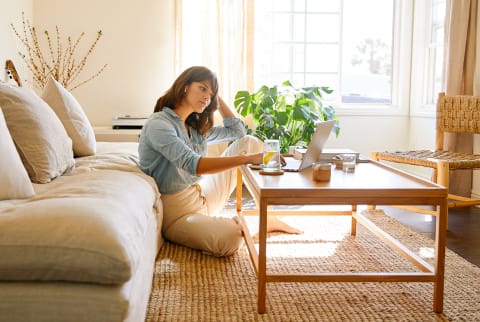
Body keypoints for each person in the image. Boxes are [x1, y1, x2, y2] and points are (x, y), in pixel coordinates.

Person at [139, 66, 300, 257]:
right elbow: (194, 164)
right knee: (231, 238)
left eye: (211, 93)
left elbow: (237, 132)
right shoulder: (159, 124)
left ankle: (268, 216)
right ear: (184, 87)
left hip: (202, 194)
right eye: (202, 88)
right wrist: (247, 159)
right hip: (179, 213)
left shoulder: (194, 127)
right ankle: (253, 223)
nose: (207, 96)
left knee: (250, 142)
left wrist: (215, 97)